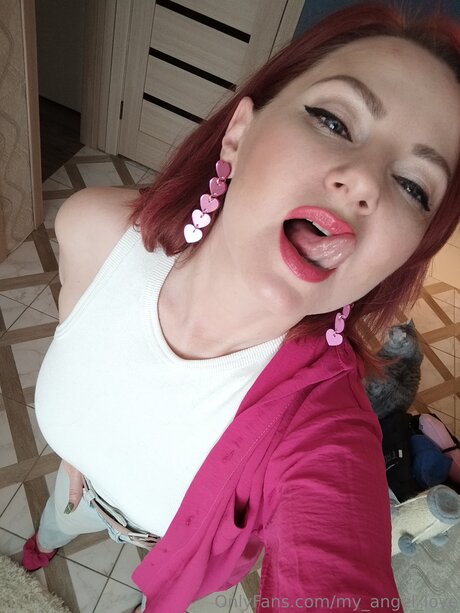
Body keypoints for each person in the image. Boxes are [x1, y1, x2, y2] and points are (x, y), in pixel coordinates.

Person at [22, 2, 460, 612]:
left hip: (173, 550)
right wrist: (79, 449)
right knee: (54, 525)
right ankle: (39, 548)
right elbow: (80, 334)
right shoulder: (92, 226)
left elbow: (335, 557)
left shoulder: (324, 424)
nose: (363, 183)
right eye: (334, 121)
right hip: (72, 485)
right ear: (239, 133)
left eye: (413, 186)